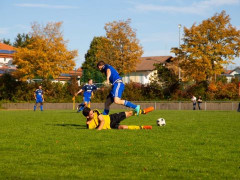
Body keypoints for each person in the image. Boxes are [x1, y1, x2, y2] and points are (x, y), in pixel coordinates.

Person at [82, 106, 154, 130]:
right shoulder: (88, 126)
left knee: (129, 113)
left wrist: (98, 130)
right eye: (91, 114)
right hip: (111, 126)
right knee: (124, 127)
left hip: (112, 118)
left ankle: (144, 111)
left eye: (92, 112)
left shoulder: (95, 111)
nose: (93, 114)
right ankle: (143, 127)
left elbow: (102, 121)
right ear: (87, 116)